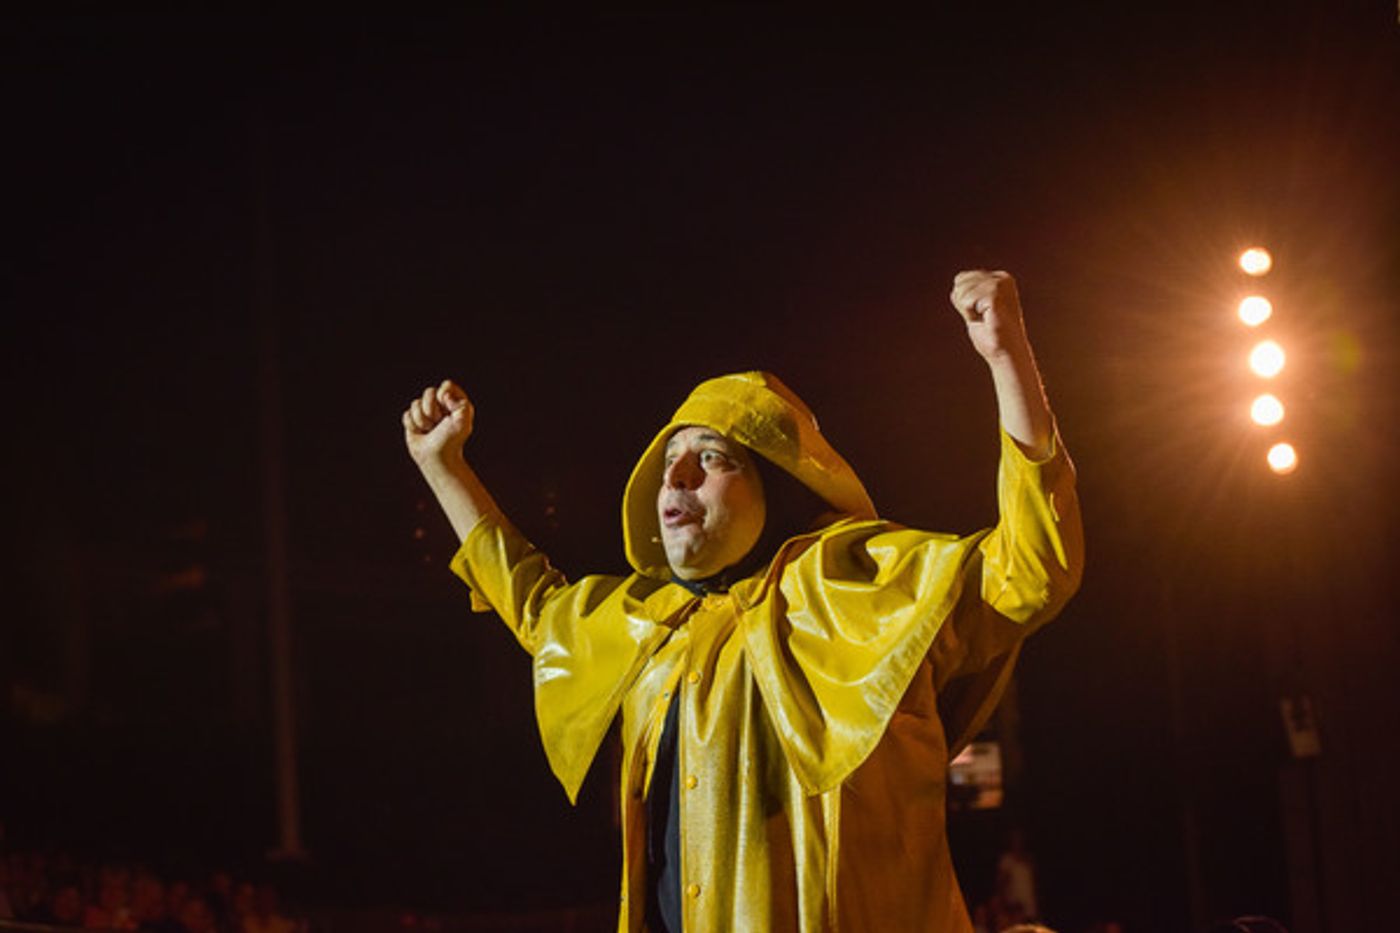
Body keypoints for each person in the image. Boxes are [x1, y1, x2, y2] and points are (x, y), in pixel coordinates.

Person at [403, 270, 1084, 932]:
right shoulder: (652, 627)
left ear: (777, 487)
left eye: (713, 456)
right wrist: (446, 467)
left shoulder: (853, 585)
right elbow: (535, 605)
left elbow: (1030, 569)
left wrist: (1007, 359)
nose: (676, 473)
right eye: (671, 456)